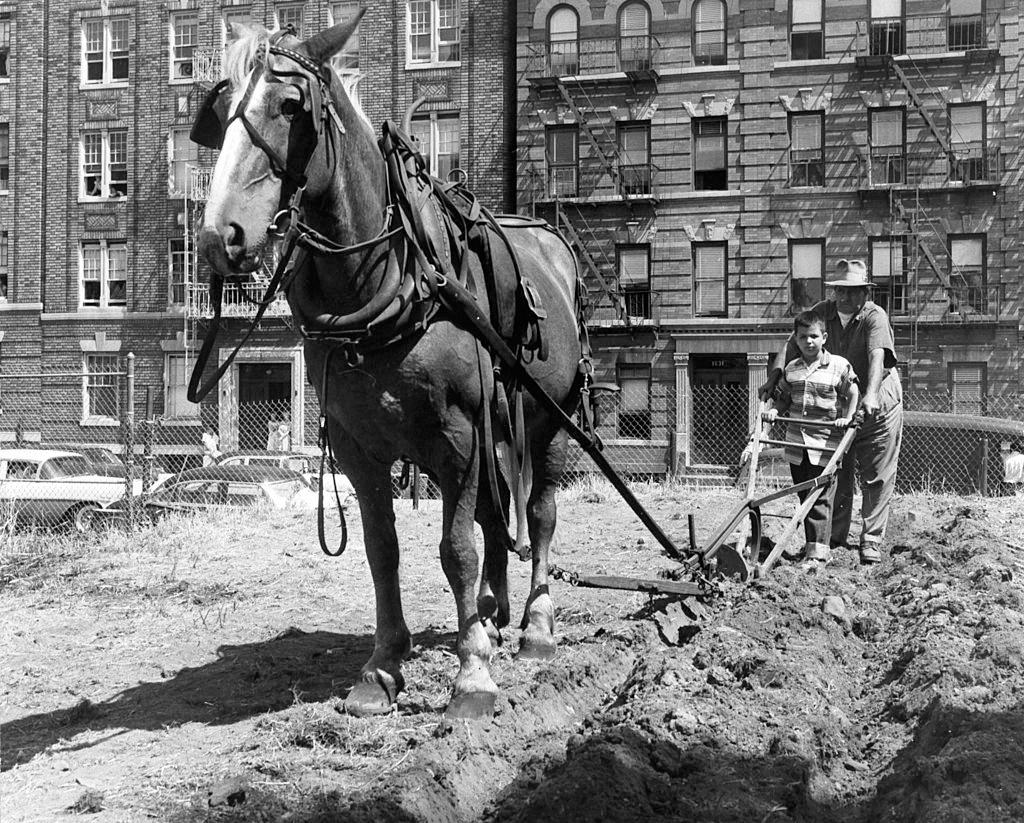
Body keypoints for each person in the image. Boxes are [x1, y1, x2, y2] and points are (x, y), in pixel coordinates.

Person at [761, 259, 903, 565]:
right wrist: (773, 378)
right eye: (840, 290)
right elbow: (790, 347)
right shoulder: (822, 312)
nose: (845, 297)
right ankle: (833, 538)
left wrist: (872, 394)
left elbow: (876, 356)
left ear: (866, 291)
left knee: (876, 474)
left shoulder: (874, 316)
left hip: (877, 402)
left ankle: (871, 539)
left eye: (853, 291)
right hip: (837, 406)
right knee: (835, 470)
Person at [760, 310, 859, 565]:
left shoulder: (838, 365)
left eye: (814, 336)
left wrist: (846, 417)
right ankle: (811, 547)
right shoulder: (792, 369)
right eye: (803, 337)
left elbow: (853, 392)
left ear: (824, 337)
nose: (809, 342)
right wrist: (774, 411)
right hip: (796, 444)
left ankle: (818, 555)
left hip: (825, 444)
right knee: (805, 497)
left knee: (821, 498)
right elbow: (783, 399)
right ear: (796, 339)